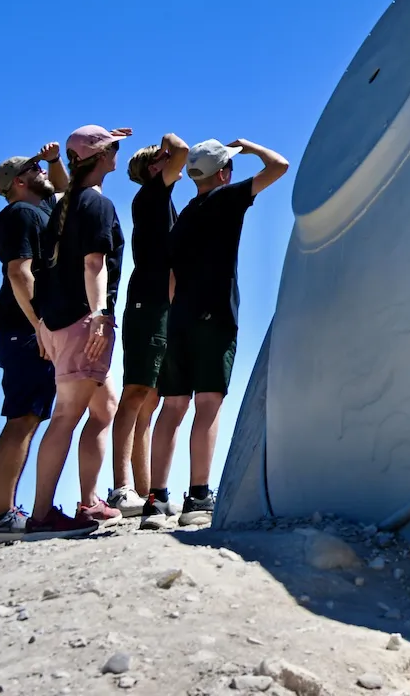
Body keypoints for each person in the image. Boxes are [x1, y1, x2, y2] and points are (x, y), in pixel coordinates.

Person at [149, 137, 288, 528]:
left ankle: (156, 501)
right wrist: (250, 147)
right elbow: (279, 166)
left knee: (172, 407)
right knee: (208, 404)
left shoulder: (183, 218)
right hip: (215, 317)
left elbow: (172, 279)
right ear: (224, 173)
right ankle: (197, 497)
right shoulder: (226, 199)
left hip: (179, 319)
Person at [24, 123, 133, 538]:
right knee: (67, 415)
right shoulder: (96, 204)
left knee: (104, 407)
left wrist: (42, 324)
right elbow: (94, 264)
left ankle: (89, 503)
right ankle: (41, 517)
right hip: (83, 323)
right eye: (113, 149)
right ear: (102, 158)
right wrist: (100, 315)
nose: (118, 155)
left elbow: (46, 271)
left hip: (59, 323)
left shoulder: (65, 205)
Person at [0, 143, 67, 543]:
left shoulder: (39, 210)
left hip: (30, 329)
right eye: (34, 168)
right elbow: (19, 272)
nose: (42, 170)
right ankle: (1, 517)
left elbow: (65, 191)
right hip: (26, 330)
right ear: (18, 182)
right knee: (22, 417)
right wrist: (41, 326)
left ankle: (7, 514)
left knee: (29, 416)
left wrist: (55, 161)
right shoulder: (20, 214)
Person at [104, 132, 188, 518]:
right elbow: (182, 150)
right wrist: (167, 143)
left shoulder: (160, 199)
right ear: (154, 168)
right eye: (163, 158)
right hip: (148, 305)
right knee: (136, 391)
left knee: (151, 399)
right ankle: (122, 488)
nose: (172, 161)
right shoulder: (152, 194)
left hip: (163, 307)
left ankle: (147, 490)